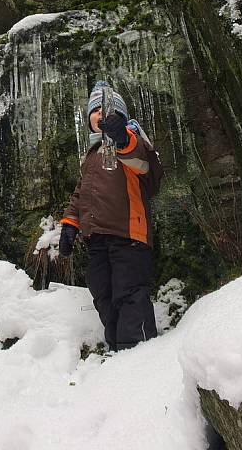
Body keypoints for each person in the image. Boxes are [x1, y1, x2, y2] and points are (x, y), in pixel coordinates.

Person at [58, 81, 163, 351]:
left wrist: (124, 139)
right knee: (102, 293)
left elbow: (148, 171)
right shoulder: (91, 155)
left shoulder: (133, 142)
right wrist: (70, 224)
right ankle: (117, 348)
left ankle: (138, 350)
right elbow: (81, 194)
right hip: (97, 239)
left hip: (128, 234)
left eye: (109, 110)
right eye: (96, 111)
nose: (102, 114)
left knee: (129, 291)